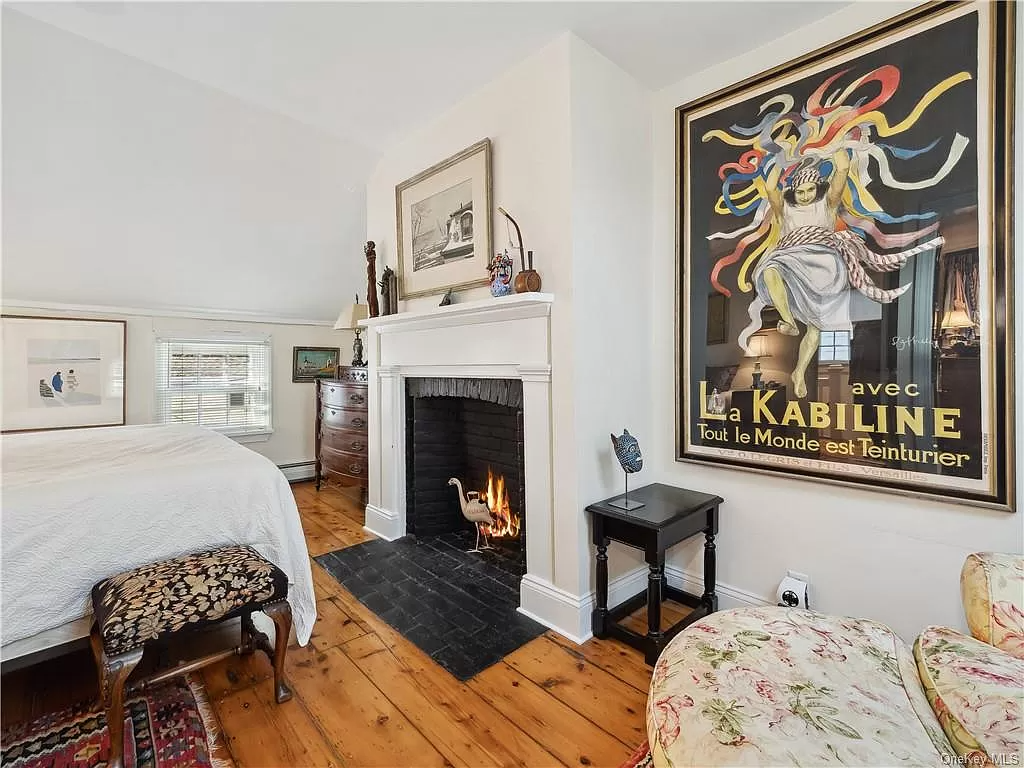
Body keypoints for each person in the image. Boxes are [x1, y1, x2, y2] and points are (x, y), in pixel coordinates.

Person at [741, 149, 941, 398]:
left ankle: (798, 372)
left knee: (815, 328)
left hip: (823, 264)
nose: (804, 196)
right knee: (770, 268)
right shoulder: (785, 211)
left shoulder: (827, 205)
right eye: (800, 192)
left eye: (810, 190)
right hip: (792, 257)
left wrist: (833, 147)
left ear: (818, 188)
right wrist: (783, 157)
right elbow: (771, 188)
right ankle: (789, 321)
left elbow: (842, 170)